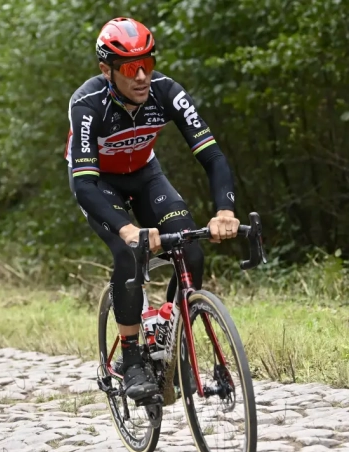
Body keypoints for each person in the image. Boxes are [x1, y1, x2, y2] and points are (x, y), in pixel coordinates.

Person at [65, 18, 240, 401]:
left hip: (145, 175)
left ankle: (174, 339)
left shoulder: (167, 92)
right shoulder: (87, 103)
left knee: (191, 249)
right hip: (100, 184)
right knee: (129, 252)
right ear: (106, 71)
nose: (142, 75)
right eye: (130, 68)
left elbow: (213, 157)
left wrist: (224, 210)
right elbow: (83, 184)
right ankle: (132, 360)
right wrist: (127, 229)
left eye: (149, 62)